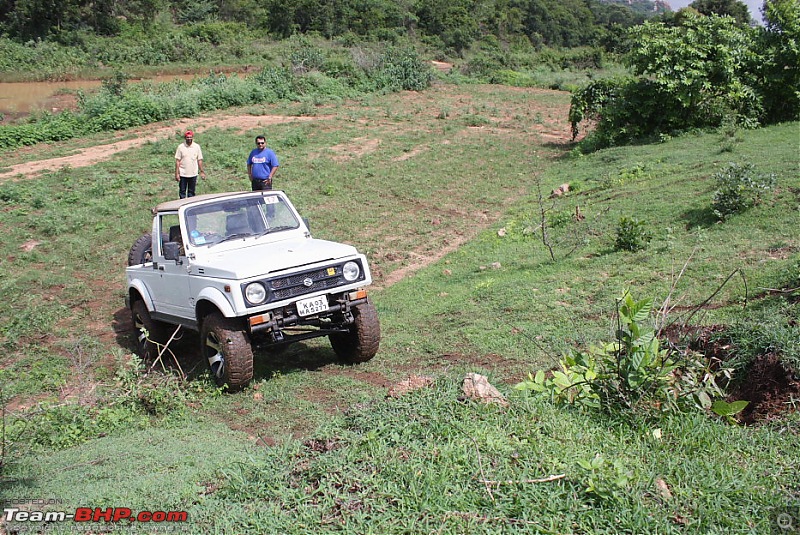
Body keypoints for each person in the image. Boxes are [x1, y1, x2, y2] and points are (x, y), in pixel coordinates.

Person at [175, 130, 205, 198]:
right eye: (187, 137)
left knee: (191, 192)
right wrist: (177, 173)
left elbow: (199, 160)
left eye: (190, 137)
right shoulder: (181, 147)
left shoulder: (196, 147)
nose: (189, 139)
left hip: (193, 173)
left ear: (192, 137)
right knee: (182, 192)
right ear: (185, 138)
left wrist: (202, 171)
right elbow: (177, 161)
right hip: (183, 174)